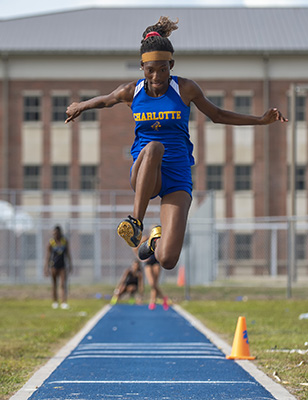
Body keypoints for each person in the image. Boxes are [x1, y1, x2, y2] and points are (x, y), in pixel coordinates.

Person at [65, 16, 288, 271]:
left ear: (171, 64)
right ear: (142, 68)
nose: (157, 76)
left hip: (177, 175)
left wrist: (260, 120)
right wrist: (80, 106)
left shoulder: (184, 88)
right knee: (154, 147)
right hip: (145, 173)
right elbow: (105, 100)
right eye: (151, 70)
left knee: (168, 260)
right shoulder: (132, 91)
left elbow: (218, 115)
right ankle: (136, 222)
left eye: (163, 69)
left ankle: (153, 238)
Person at [44, 225, 73, 309]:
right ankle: (55, 302)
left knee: (63, 284)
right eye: (54, 233)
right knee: (54, 284)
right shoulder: (51, 242)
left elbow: (68, 254)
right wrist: (46, 267)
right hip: (54, 265)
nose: (55, 234)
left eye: (56, 233)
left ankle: (63, 302)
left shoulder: (64, 241)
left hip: (62, 266)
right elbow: (48, 255)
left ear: (60, 232)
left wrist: (70, 264)